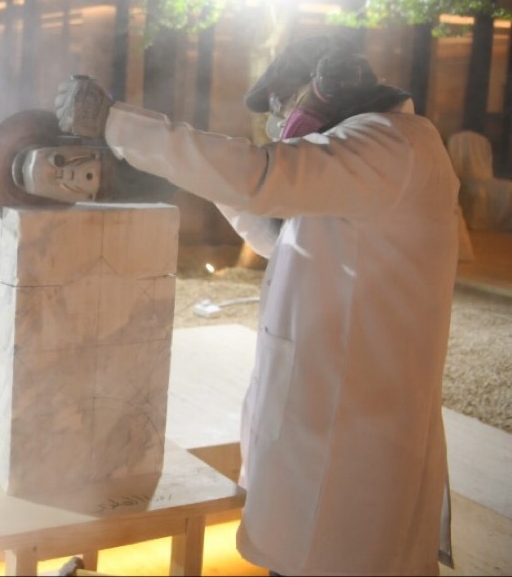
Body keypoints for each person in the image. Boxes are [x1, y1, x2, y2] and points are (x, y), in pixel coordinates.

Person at [54, 35, 458, 576]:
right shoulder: (356, 158)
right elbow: (278, 234)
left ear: (326, 89)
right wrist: (199, 176)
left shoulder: (388, 144)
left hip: (355, 438)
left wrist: (118, 125)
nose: (278, 122)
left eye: (282, 104)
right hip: (324, 419)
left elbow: (261, 177)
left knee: (337, 556)